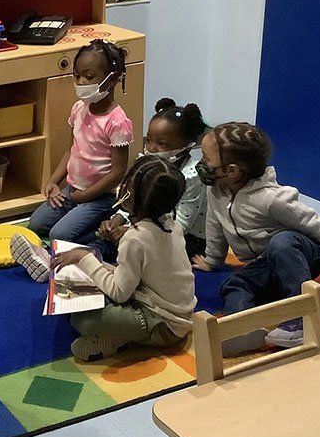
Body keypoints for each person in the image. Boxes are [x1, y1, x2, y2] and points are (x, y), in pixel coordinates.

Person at [13, 156, 196, 361]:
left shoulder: (135, 238)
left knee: (82, 320)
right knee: (81, 284)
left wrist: (85, 258)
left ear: (129, 196)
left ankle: (117, 340)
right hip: (162, 307)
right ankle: (116, 337)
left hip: (161, 324)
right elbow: (136, 276)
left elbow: (119, 293)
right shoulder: (171, 223)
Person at [193, 122, 320, 352]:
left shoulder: (272, 198)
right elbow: (214, 226)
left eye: (205, 158)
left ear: (232, 170)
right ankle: (240, 329)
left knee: (282, 242)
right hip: (265, 264)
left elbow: (314, 223)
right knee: (234, 282)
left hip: (300, 256)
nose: (201, 164)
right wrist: (212, 261)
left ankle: (301, 319)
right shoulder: (217, 191)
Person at [29, 39, 133, 245]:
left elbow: (117, 172)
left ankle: (103, 233)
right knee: (36, 225)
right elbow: (71, 151)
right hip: (72, 189)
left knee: (58, 236)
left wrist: (85, 196)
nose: (81, 82)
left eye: (89, 76)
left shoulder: (117, 121)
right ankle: (86, 221)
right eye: (77, 76)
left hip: (101, 197)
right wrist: (53, 182)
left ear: (111, 80)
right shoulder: (79, 108)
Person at [96, 98, 209, 260]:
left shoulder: (191, 176)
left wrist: (131, 230)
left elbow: (180, 226)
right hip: (144, 226)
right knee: (102, 241)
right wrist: (117, 220)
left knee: (135, 249)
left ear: (187, 146)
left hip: (184, 239)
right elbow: (132, 201)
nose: (151, 148)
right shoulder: (145, 165)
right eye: (148, 140)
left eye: (161, 144)